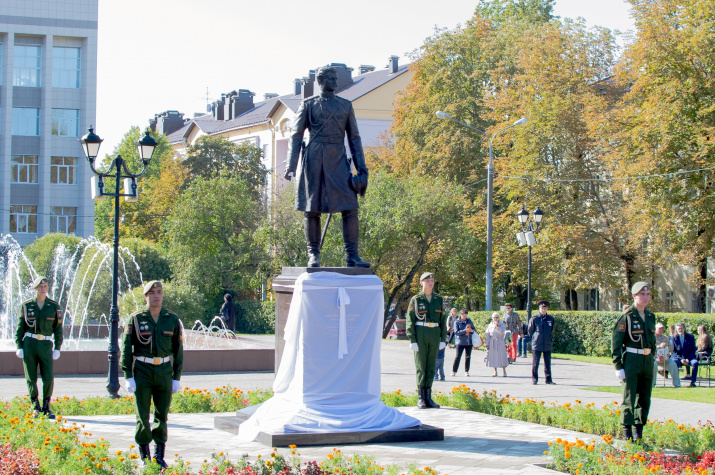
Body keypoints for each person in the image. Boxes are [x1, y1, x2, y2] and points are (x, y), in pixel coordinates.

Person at [283, 66, 370, 268]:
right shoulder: (308, 105)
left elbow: (354, 139)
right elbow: (296, 136)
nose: (335, 81)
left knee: (350, 206)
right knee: (311, 209)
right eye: (330, 78)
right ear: (320, 81)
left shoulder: (346, 106)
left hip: (338, 158)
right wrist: (291, 165)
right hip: (314, 158)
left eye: (335, 78)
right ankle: (313, 254)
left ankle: (352, 255)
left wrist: (361, 168)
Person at [121, 281, 184, 468]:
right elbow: (126, 348)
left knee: (162, 415)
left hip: (164, 371)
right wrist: (127, 374)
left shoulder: (172, 319)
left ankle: (159, 456)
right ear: (145, 296)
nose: (157, 295)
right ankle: (144, 458)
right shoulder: (135, 318)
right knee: (142, 415)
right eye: (152, 293)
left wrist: (176, 377)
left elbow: (178, 350)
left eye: (159, 292)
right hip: (142, 370)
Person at [612, 282, 656, 442]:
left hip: (647, 360)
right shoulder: (627, 316)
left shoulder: (651, 316)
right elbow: (616, 343)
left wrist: (653, 358)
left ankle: (639, 433)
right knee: (629, 396)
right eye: (642, 295)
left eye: (648, 294)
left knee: (644, 397)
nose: (646, 297)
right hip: (632, 359)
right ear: (634, 296)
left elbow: (652, 341)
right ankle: (627, 433)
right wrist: (618, 365)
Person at [14, 276, 63, 419]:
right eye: (40, 287)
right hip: (30, 343)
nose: (43, 289)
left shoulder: (54, 306)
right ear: (35, 288)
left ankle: (46, 406)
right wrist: (19, 345)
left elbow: (58, 329)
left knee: (48, 377)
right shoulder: (26, 305)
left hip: (46, 345)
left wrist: (58, 347)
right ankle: (35, 406)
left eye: (46, 286)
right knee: (31, 377)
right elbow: (20, 328)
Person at [407, 272, 447, 409]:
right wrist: (412, 339)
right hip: (421, 333)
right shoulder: (416, 299)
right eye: (427, 280)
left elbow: (443, 320)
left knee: (431, 367)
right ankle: (420, 398)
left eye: (432, 280)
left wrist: (443, 339)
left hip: (434, 333)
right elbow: (410, 320)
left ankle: (428, 397)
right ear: (421, 282)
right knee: (421, 367)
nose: (430, 282)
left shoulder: (438, 299)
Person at [529, 300, 555, 385]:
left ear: (547, 309)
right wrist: (535, 338)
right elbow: (530, 331)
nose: (543, 310)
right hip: (537, 343)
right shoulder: (534, 319)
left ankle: (548, 379)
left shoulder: (550, 319)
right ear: (539, 308)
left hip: (547, 343)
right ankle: (534, 379)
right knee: (535, 362)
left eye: (545, 308)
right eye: (542, 308)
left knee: (548, 363)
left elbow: (551, 330)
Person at [652, 322, 681, 388]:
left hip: (665, 358)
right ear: (656, 329)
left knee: (673, 365)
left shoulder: (666, 338)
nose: (661, 330)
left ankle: (677, 384)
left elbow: (672, 348)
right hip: (655, 357)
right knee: (654, 365)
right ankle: (652, 384)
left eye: (662, 329)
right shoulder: (652, 337)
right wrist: (659, 346)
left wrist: (667, 345)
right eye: (659, 329)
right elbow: (650, 347)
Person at [671, 322, 699, 387]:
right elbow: (673, 351)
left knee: (695, 363)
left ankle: (693, 382)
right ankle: (676, 382)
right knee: (674, 363)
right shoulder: (673, 338)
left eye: (681, 328)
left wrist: (688, 359)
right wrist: (681, 359)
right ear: (676, 330)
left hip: (689, 358)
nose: (680, 330)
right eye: (678, 329)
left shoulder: (690, 337)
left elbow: (693, 349)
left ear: (684, 329)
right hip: (678, 358)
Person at [451, 309, 474, 376]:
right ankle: (454, 371)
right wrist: (465, 330)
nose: (465, 317)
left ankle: (466, 371)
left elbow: (474, 329)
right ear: (460, 315)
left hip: (468, 342)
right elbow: (456, 332)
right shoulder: (457, 322)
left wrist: (471, 331)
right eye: (464, 316)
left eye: (466, 316)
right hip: (460, 342)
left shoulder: (469, 320)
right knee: (458, 356)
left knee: (468, 357)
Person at [485, 312, 509, 377]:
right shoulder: (489, 325)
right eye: (494, 317)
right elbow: (487, 335)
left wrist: (497, 326)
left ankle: (504, 371)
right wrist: (487, 344)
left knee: (502, 356)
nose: (495, 319)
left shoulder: (502, 324)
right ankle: (495, 371)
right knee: (493, 357)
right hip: (492, 341)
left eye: (497, 317)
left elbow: (502, 333)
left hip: (500, 341)